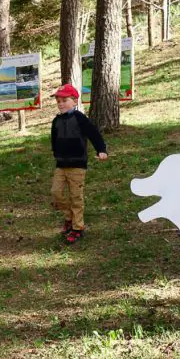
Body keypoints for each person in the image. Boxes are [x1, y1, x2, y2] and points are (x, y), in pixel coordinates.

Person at [50, 84, 107, 244]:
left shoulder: (80, 118)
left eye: (64, 100)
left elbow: (94, 134)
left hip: (77, 166)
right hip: (61, 165)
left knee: (76, 197)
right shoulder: (56, 121)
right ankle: (69, 217)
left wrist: (101, 149)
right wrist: (56, 153)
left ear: (74, 101)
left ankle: (77, 227)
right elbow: (54, 139)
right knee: (56, 193)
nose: (60, 104)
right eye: (58, 101)